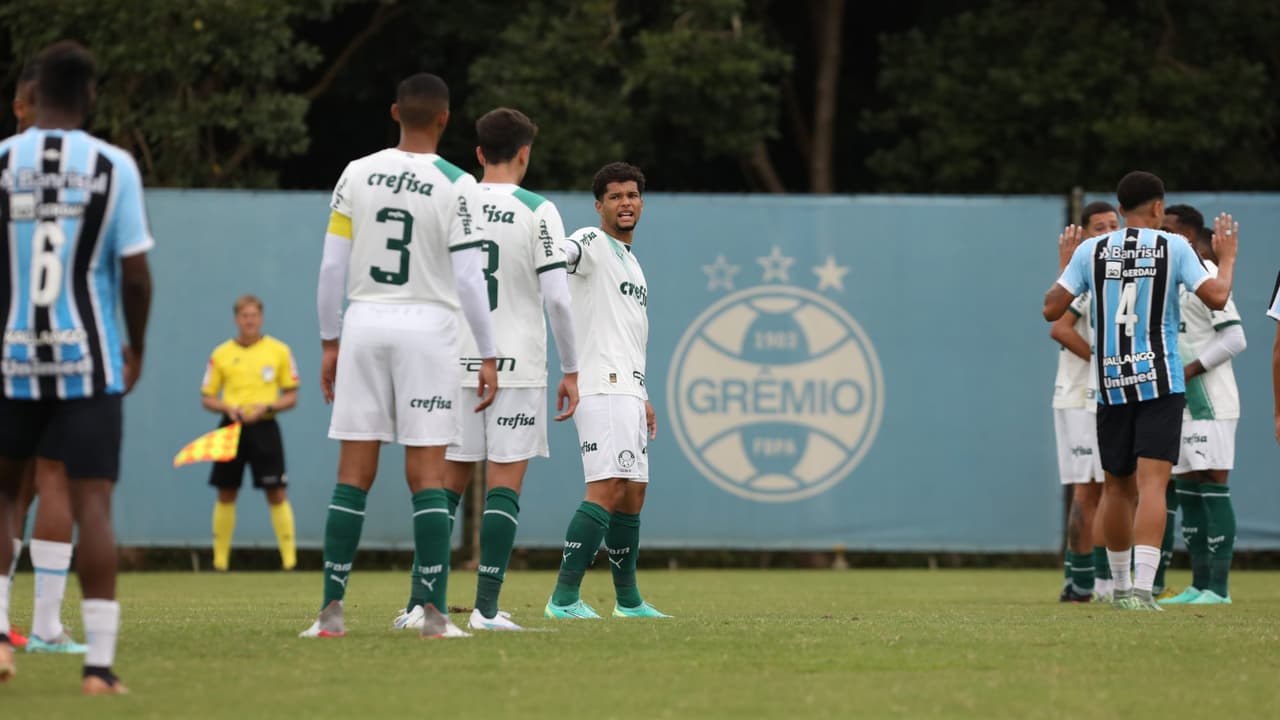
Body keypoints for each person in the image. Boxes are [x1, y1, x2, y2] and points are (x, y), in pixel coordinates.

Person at [302, 73, 498, 640]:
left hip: (364, 322)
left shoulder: (356, 173)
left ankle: (330, 615)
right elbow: (468, 278)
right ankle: (433, 617)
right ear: (444, 118)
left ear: (394, 113)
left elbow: (331, 268)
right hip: (428, 329)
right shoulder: (458, 182)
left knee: (353, 474)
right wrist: (486, 354)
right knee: (428, 473)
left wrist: (328, 340)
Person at [0, 40, 154, 692]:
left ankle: (2, 641)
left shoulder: (3, 161)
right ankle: (97, 666)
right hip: (86, 360)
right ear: (89, 96)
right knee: (93, 503)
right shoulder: (113, 166)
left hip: (8, 358)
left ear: (29, 100)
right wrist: (135, 346)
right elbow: (136, 274)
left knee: (5, 497)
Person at [393, 108, 579, 632]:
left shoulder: (450, 200)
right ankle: (486, 610)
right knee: (504, 487)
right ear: (525, 153)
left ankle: (419, 605)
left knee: (444, 487)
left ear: (477, 153)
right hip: (516, 366)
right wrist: (572, 369)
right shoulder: (538, 210)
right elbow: (559, 301)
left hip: (453, 364)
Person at [1043, 170, 1236, 611]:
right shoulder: (1174, 247)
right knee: (1153, 486)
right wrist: (1226, 258)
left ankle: (1120, 589)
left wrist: (1067, 268)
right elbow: (1218, 298)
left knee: (1115, 488)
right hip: (1159, 381)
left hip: (1111, 383)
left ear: (1120, 207)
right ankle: (1145, 590)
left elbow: (1052, 309)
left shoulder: (1092, 250)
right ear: (1156, 207)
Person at [544, 162, 668, 619]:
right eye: (615, 197)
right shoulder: (593, 242)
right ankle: (563, 599)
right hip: (600, 386)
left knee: (633, 491)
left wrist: (643, 393)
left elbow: (626, 334)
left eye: (632, 195)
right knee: (606, 486)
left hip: (628, 389)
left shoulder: (631, 261)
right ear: (600, 206)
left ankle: (629, 601)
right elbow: (564, 253)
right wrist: (547, 250)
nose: (625, 203)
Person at [1158, 212, 1246, 606]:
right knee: (1188, 488)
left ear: (1187, 236)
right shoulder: (1170, 277)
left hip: (1211, 400)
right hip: (1182, 401)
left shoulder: (1207, 272)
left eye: (1168, 232)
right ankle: (1198, 585)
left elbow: (1235, 338)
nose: (1160, 237)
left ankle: (1219, 590)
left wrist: (1190, 369)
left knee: (1212, 483)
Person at [200, 295, 300, 571]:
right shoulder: (220, 354)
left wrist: (267, 406)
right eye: (244, 315)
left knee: (276, 491)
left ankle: (290, 561)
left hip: (265, 427)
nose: (249, 320)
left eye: (254, 315)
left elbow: (291, 396)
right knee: (226, 491)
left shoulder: (279, 351)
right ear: (236, 319)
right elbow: (207, 397)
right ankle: (220, 562)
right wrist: (227, 407)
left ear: (261, 318)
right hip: (231, 428)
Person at [1051, 201, 1118, 603]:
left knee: (1098, 488)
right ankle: (1092, 583)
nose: (1109, 233)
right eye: (1099, 228)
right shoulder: (1087, 275)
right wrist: (1104, 360)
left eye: (1114, 225)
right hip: (1082, 395)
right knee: (1092, 490)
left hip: (1092, 394)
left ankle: (1079, 584)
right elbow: (1059, 327)